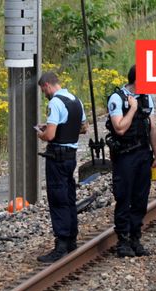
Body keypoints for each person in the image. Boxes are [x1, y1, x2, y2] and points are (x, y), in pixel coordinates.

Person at [105, 65, 156, 257]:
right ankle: (123, 240)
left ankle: (135, 237)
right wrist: (133, 109)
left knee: (140, 198)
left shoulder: (147, 97)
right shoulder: (118, 99)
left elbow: (152, 128)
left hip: (143, 154)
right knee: (124, 197)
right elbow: (120, 128)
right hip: (125, 155)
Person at [35, 71, 88, 263]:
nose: (44, 94)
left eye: (44, 90)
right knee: (69, 196)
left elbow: (50, 136)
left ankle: (62, 243)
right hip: (71, 156)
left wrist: (41, 133)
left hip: (57, 157)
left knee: (57, 198)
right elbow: (84, 127)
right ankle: (72, 238)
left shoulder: (55, 103)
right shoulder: (76, 100)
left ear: (48, 85)